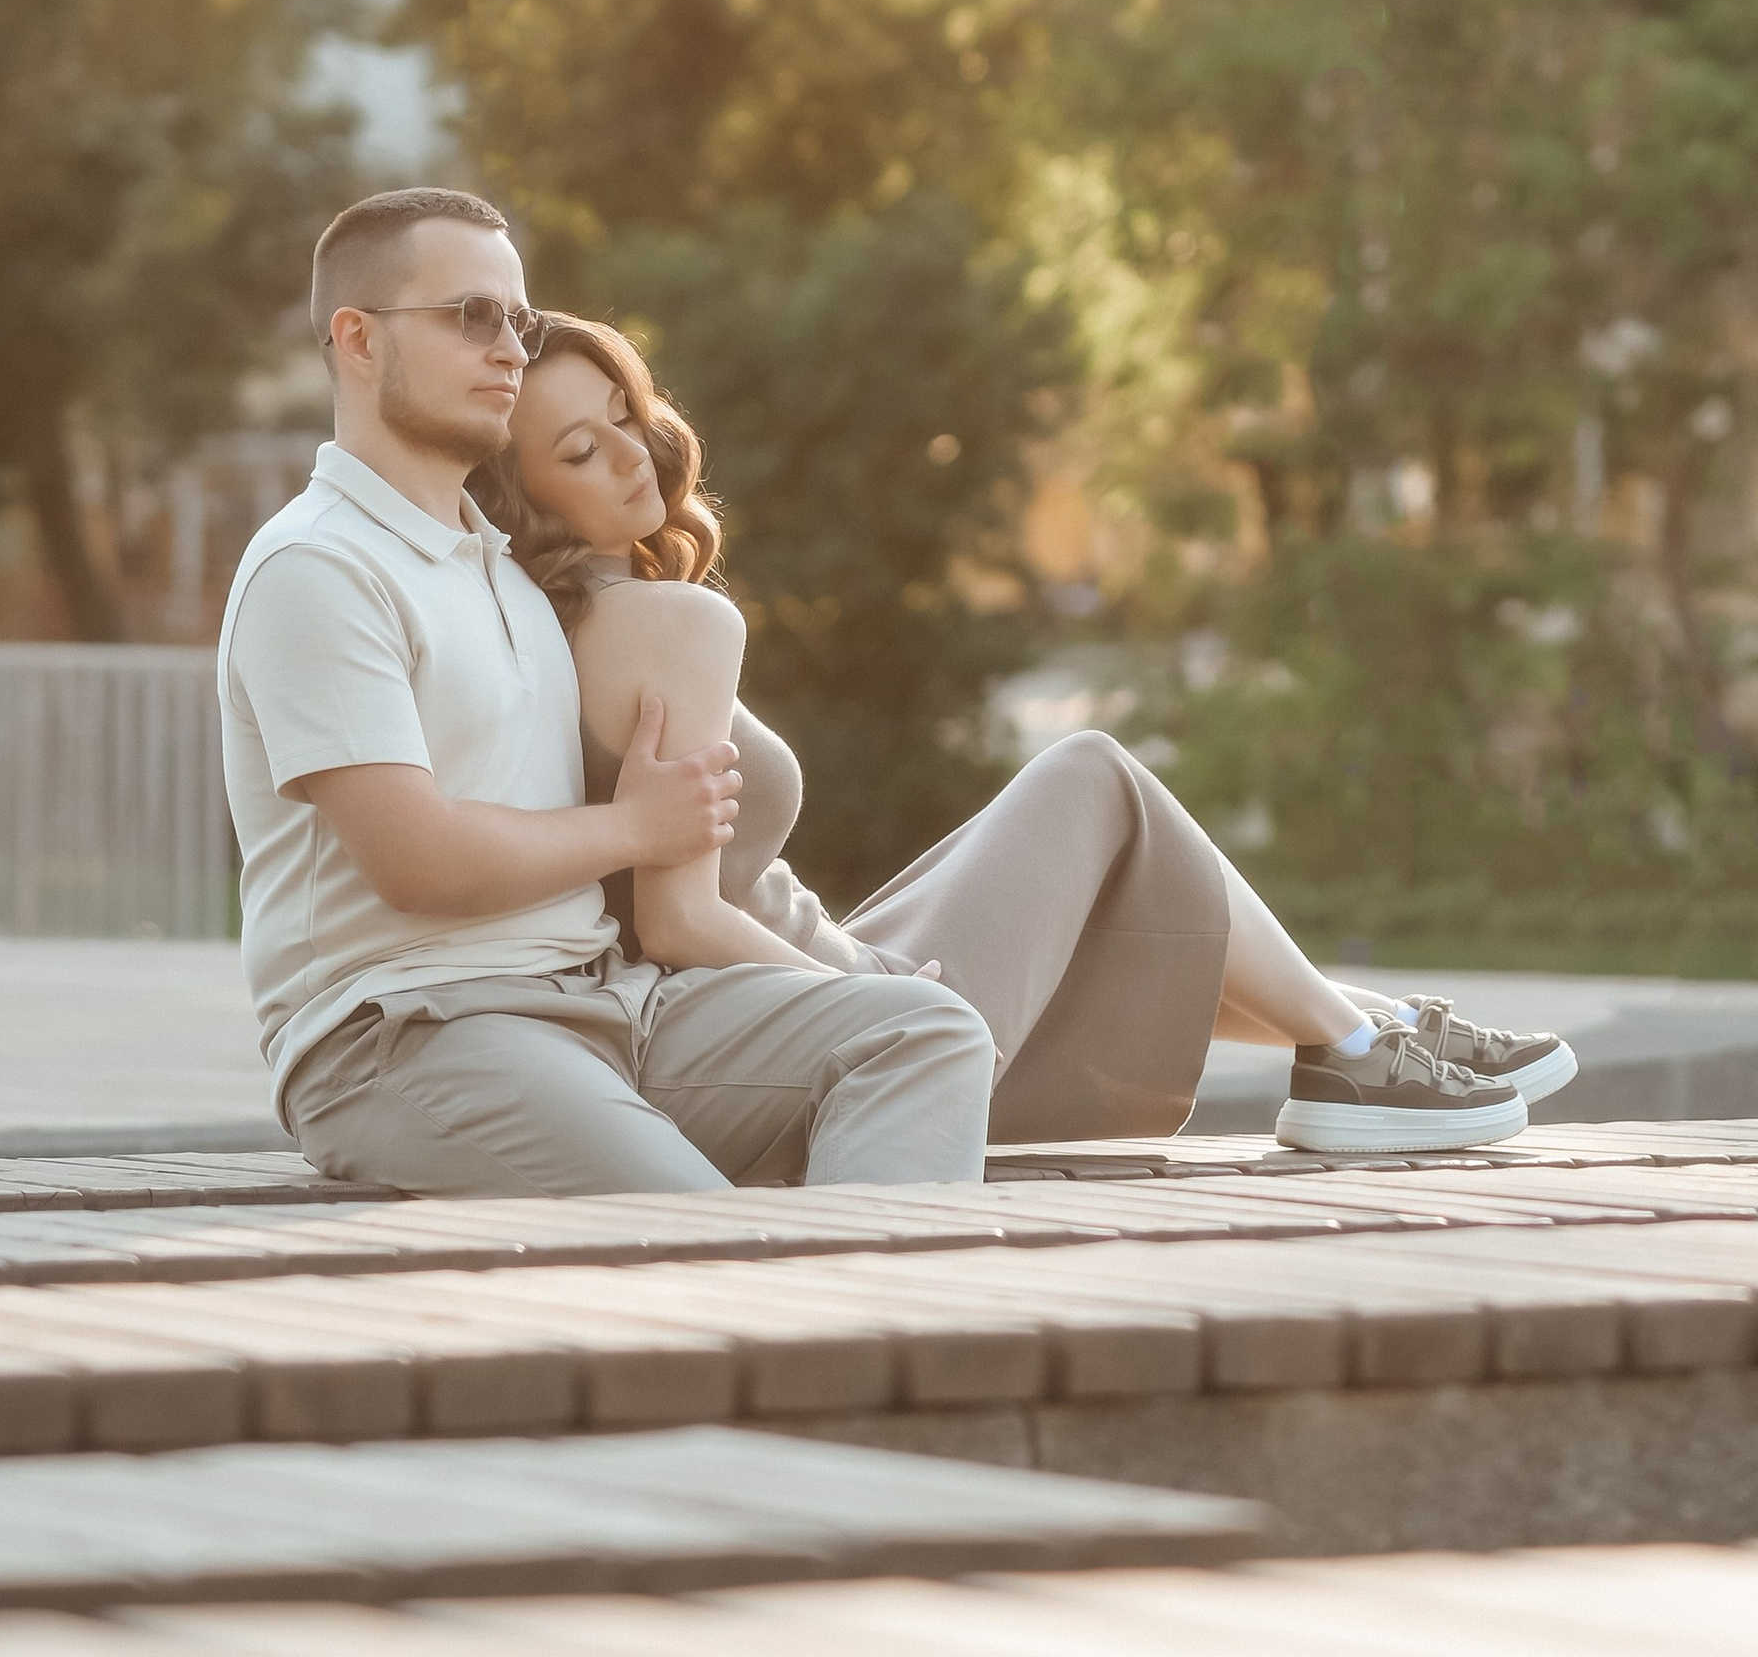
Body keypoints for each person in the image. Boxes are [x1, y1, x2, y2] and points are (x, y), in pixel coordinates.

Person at [469, 312, 1580, 1159]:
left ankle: (1360, 1025)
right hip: (825, 1008)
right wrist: (886, 1006)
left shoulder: (531, 629)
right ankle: (1358, 1056)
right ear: (525, 499)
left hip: (799, 968)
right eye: (580, 450)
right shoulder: (674, 622)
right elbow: (678, 913)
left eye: (624, 410)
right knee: (1094, 776)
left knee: (1106, 871)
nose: (632, 453)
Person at [216, 186, 998, 1194]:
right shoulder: (316, 567)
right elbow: (416, 860)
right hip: (408, 1035)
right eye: (470, 315)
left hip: (611, 1005)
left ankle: (866, 1326)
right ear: (358, 339)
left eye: (518, 316)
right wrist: (637, 829)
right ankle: (853, 1326)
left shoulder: (498, 565)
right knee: (694, 1224)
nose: (509, 346)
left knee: (922, 1030)